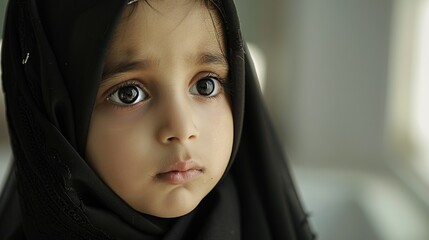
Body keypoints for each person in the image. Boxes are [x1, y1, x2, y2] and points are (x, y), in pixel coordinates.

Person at [0, 0, 315, 239]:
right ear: (56, 120)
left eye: (206, 85)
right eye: (129, 94)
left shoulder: (261, 224)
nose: (182, 129)